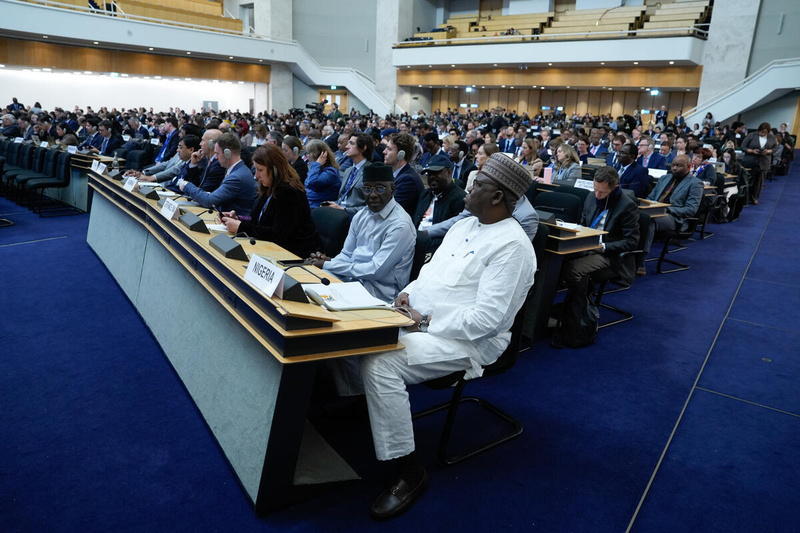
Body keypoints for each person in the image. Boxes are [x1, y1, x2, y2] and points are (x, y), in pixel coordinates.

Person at [359, 153, 536, 520]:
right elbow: (429, 276)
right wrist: (406, 294)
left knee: (380, 362)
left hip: (467, 343)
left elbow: (487, 320)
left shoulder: (513, 247)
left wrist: (423, 321)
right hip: (419, 320)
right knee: (350, 336)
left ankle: (410, 472)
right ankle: (366, 416)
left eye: (478, 183)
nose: (468, 188)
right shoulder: (464, 226)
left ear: (498, 196)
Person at [308, 162, 416, 303]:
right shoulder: (361, 215)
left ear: (393, 189)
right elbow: (346, 254)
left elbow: (375, 270)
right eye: (367, 189)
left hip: (379, 293)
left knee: (321, 300)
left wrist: (328, 265)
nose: (372, 195)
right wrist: (327, 263)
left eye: (380, 189)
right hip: (352, 281)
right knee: (311, 282)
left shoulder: (400, 225)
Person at [559, 166, 639, 342]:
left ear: (615, 188)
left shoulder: (627, 206)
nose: (597, 195)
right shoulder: (590, 197)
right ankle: (566, 309)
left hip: (608, 254)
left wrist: (602, 246)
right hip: (584, 246)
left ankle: (579, 313)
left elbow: (632, 242)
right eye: (595, 190)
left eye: (602, 193)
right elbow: (582, 223)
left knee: (574, 270)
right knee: (557, 260)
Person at [221, 145, 320, 258]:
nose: (256, 175)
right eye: (256, 169)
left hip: (294, 254)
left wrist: (241, 227)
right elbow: (260, 222)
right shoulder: (269, 187)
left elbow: (278, 234)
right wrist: (238, 219)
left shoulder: (290, 193)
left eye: (260, 170)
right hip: (272, 249)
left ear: (274, 170)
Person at [639, 155, 703, 275]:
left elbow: (691, 210)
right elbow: (650, 198)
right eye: (673, 165)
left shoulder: (695, 183)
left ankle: (640, 261)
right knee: (632, 216)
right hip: (655, 211)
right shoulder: (664, 178)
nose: (674, 168)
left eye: (679, 166)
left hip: (675, 218)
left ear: (689, 167)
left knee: (648, 221)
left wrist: (666, 210)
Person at [179, 132, 258, 214]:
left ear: (228, 154)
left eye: (217, 153)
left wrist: (186, 185)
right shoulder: (237, 170)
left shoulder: (236, 177)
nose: (216, 158)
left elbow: (209, 201)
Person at [413, 154, 467, 236]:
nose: (432, 177)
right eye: (429, 173)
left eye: (436, 173)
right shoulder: (425, 195)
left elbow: (454, 234)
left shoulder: (460, 198)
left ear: (449, 173)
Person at [332, 132, 373, 216]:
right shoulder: (348, 170)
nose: (347, 147)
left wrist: (344, 209)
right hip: (340, 210)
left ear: (363, 148)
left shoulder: (371, 171)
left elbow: (371, 207)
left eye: (351, 143)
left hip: (355, 216)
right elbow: (342, 198)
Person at [383, 132, 424, 217]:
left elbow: (389, 210)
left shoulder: (408, 180)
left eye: (389, 149)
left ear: (401, 155)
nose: (384, 152)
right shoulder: (395, 175)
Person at [740, 122, 777, 205]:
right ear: (759, 130)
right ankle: (744, 197)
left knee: (759, 182)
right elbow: (743, 147)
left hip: (764, 162)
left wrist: (768, 151)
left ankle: (755, 197)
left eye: (765, 132)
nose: (763, 134)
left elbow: (775, 148)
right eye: (761, 132)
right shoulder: (751, 135)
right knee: (747, 180)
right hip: (750, 160)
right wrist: (752, 151)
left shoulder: (772, 137)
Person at [303, 139, 341, 208]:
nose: (306, 155)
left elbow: (311, 182)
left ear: (316, 154)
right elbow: (307, 185)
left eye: (308, 153)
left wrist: (316, 164)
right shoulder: (315, 169)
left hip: (320, 208)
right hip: (311, 205)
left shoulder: (330, 172)